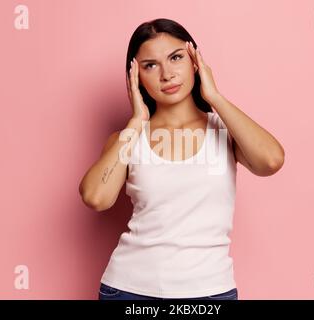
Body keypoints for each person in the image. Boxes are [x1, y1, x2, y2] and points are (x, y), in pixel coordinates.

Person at [79, 18, 285, 300]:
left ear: (195, 60)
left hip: (210, 292)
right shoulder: (128, 138)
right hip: (130, 290)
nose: (167, 74)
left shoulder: (225, 130)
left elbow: (271, 161)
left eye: (176, 58)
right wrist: (137, 121)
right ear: (135, 77)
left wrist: (214, 96)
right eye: (150, 65)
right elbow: (96, 197)